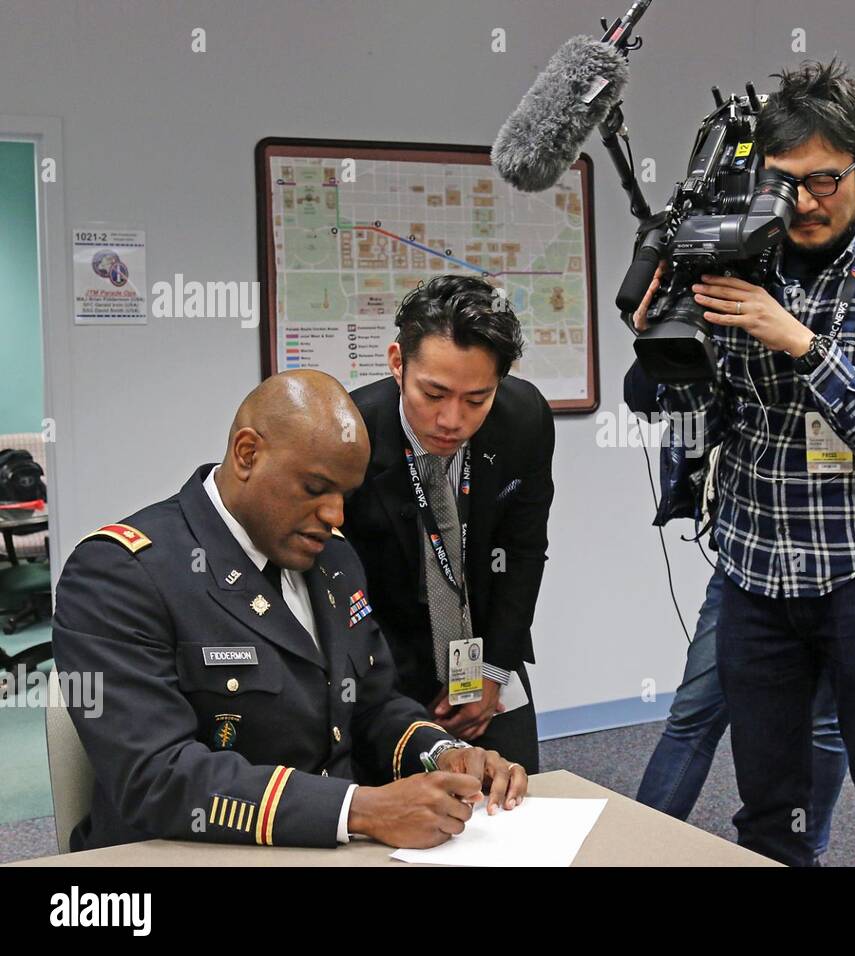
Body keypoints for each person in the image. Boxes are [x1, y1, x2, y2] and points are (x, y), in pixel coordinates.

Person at [634, 59, 855, 867]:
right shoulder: (734, 263)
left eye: (825, 182)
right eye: (784, 183)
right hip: (754, 574)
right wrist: (658, 343)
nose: (805, 204)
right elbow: (669, 408)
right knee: (766, 813)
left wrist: (805, 347)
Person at [51, 370, 526, 851]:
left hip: (334, 846)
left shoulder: (333, 558)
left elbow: (373, 704)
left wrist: (442, 752)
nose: (335, 515)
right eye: (315, 487)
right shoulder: (121, 573)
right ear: (247, 454)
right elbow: (157, 777)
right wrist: (359, 808)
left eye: (345, 494)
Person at [623, 360, 848, 860]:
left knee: (825, 727)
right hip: (747, 562)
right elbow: (640, 394)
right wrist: (653, 333)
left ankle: (803, 853)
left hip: (841, 560)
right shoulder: (724, 316)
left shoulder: (845, 313)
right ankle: (635, 853)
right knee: (694, 716)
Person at [345, 274, 555, 774]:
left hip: (485, 659)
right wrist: (389, 702)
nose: (451, 420)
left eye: (476, 399)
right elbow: (333, 587)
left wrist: (492, 670)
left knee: (512, 812)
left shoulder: (523, 419)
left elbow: (524, 552)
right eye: (433, 394)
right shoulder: (351, 433)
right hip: (382, 671)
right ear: (398, 364)